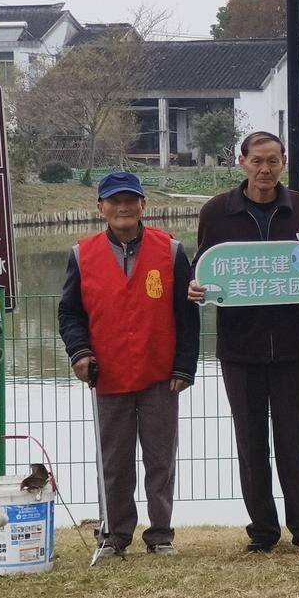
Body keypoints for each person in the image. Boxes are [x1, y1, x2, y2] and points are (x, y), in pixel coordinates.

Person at [188, 131, 299, 555]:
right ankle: (263, 532)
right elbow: (205, 267)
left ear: (284, 161)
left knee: (293, 441)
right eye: (257, 161)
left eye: (273, 160)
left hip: (288, 345)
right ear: (242, 162)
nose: (265, 169)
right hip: (238, 348)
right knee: (250, 443)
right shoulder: (217, 211)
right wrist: (196, 287)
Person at [58, 171, 199, 559]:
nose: (123, 207)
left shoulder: (170, 250)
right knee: (115, 462)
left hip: (159, 375)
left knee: (160, 460)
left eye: (131, 200)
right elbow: (70, 313)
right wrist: (79, 352)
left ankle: (161, 536)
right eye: (114, 201)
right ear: (101, 207)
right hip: (108, 374)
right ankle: (114, 537)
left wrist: (185, 367)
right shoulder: (81, 254)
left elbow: (187, 315)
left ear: (143, 206)